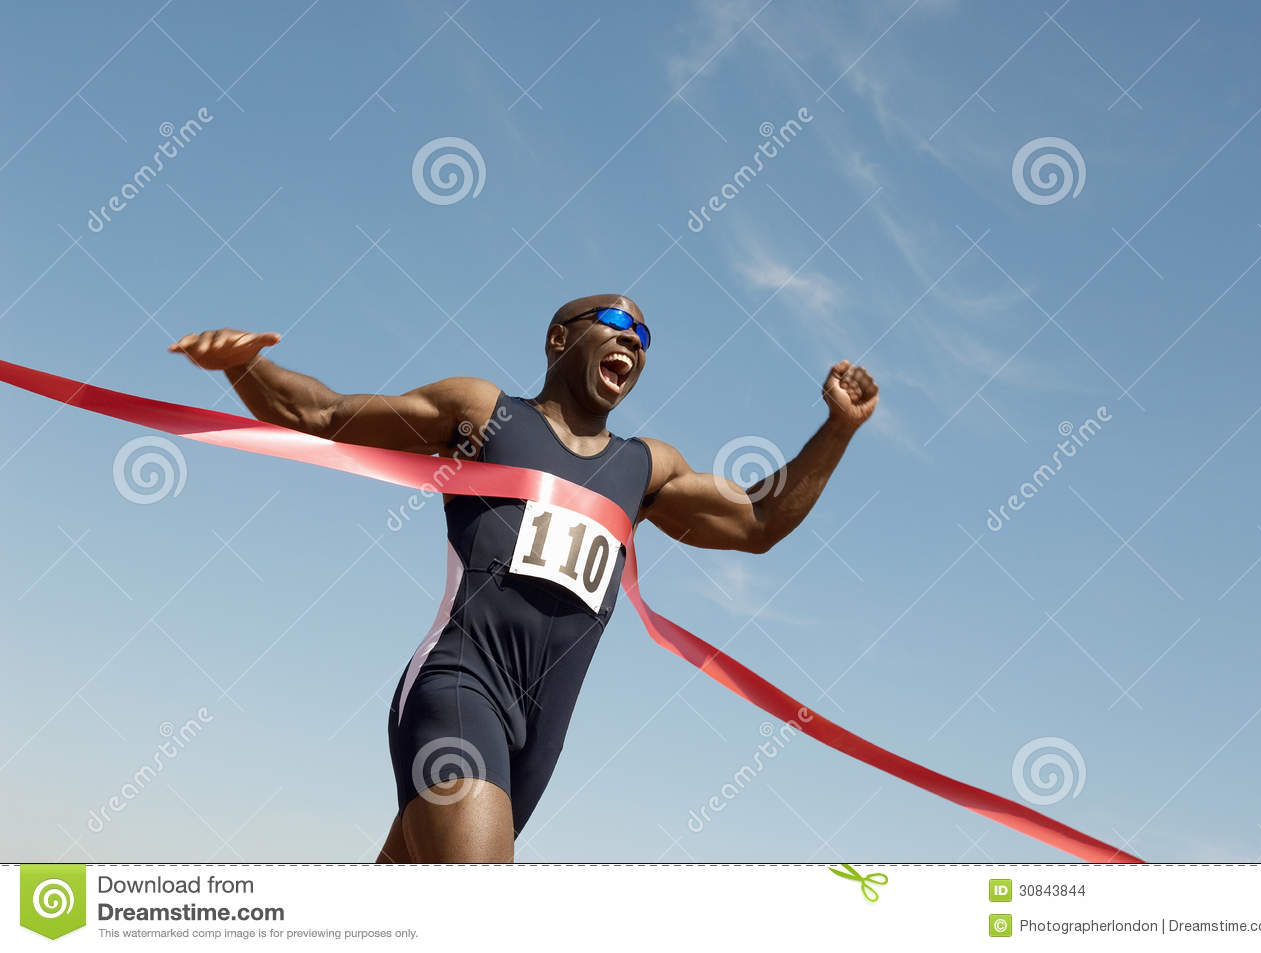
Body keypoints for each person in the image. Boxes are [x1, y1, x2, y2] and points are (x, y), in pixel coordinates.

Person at [168, 293, 879, 862]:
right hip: (458, 686)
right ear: (558, 339)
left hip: (538, 737)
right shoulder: (483, 413)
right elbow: (320, 413)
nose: (633, 339)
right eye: (616, 322)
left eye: (645, 336)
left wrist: (837, 430)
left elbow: (757, 522)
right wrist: (242, 367)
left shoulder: (646, 468)